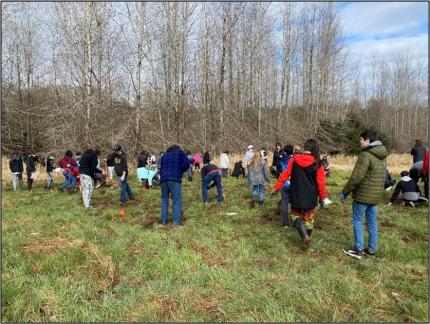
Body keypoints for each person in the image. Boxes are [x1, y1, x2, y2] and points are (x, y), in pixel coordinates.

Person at [271, 139, 332, 248]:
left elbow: (284, 175)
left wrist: (276, 188)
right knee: (309, 219)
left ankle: (304, 237)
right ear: (315, 149)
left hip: (296, 194)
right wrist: (323, 197)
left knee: (295, 217)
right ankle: (308, 240)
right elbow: (321, 183)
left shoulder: (294, 160)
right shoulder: (317, 163)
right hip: (311, 196)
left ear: (305, 148)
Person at [340, 129, 389, 259]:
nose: (359, 142)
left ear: (367, 140)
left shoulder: (365, 155)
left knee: (357, 220)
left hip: (362, 196)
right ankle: (372, 249)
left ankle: (358, 249)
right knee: (372, 222)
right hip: (376, 196)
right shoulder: (383, 156)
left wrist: (345, 192)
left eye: (361, 140)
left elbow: (356, 177)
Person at [159, 145, 190, 225]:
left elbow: (161, 167)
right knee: (176, 200)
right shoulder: (179, 152)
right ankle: (176, 222)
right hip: (174, 179)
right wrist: (179, 170)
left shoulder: (164, 155)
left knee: (164, 200)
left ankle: (163, 220)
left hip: (163, 180)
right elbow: (187, 164)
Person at [279, 144, 294, 227]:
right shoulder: (295, 160)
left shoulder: (282, 160)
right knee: (294, 203)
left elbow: (280, 172)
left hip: (284, 183)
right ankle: (294, 221)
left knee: (284, 203)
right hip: (294, 184)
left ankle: (285, 223)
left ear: (284, 152)